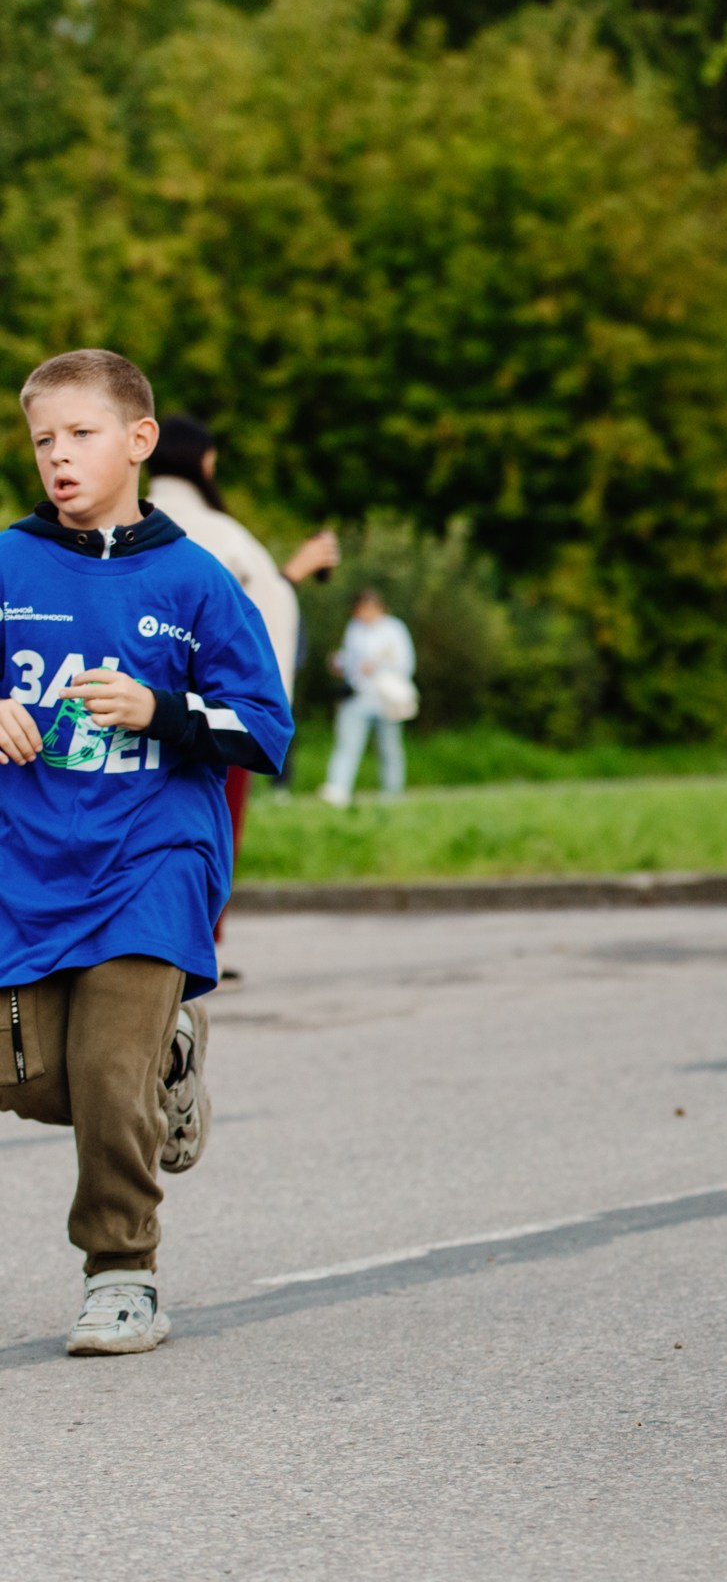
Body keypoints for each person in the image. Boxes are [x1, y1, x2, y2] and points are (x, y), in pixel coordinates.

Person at [0, 350, 291, 1354]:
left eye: (80, 435)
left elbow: (266, 731)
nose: (58, 457)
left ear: (138, 440)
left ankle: (120, 1269)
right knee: (36, 1073)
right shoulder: (7, 564)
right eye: (43, 439)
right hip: (25, 864)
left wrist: (163, 710)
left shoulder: (196, 581)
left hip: (153, 864)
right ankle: (172, 1059)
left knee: (107, 1071)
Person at [146, 415, 339, 959]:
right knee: (213, 831)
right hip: (212, 711)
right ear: (201, 462)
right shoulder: (217, 531)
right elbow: (239, 614)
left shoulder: (134, 521)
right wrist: (294, 573)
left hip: (142, 708)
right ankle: (200, 943)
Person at [318, 588, 414, 808]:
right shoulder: (355, 629)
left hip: (385, 697)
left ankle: (392, 793)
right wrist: (339, 662)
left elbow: (406, 663)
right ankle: (338, 788)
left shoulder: (394, 628)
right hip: (358, 695)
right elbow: (350, 659)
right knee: (347, 744)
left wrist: (379, 666)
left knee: (389, 747)